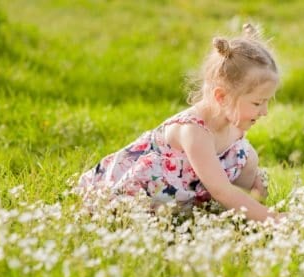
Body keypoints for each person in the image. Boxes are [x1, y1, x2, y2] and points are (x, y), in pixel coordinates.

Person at [77, 24, 283, 222]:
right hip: (148, 190)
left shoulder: (233, 121)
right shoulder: (194, 131)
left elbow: (239, 162)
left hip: (191, 182)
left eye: (267, 102)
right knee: (140, 214)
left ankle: (237, 208)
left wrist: (255, 188)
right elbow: (223, 191)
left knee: (247, 155)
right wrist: (274, 220)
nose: (264, 112)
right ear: (222, 97)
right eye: (257, 103)